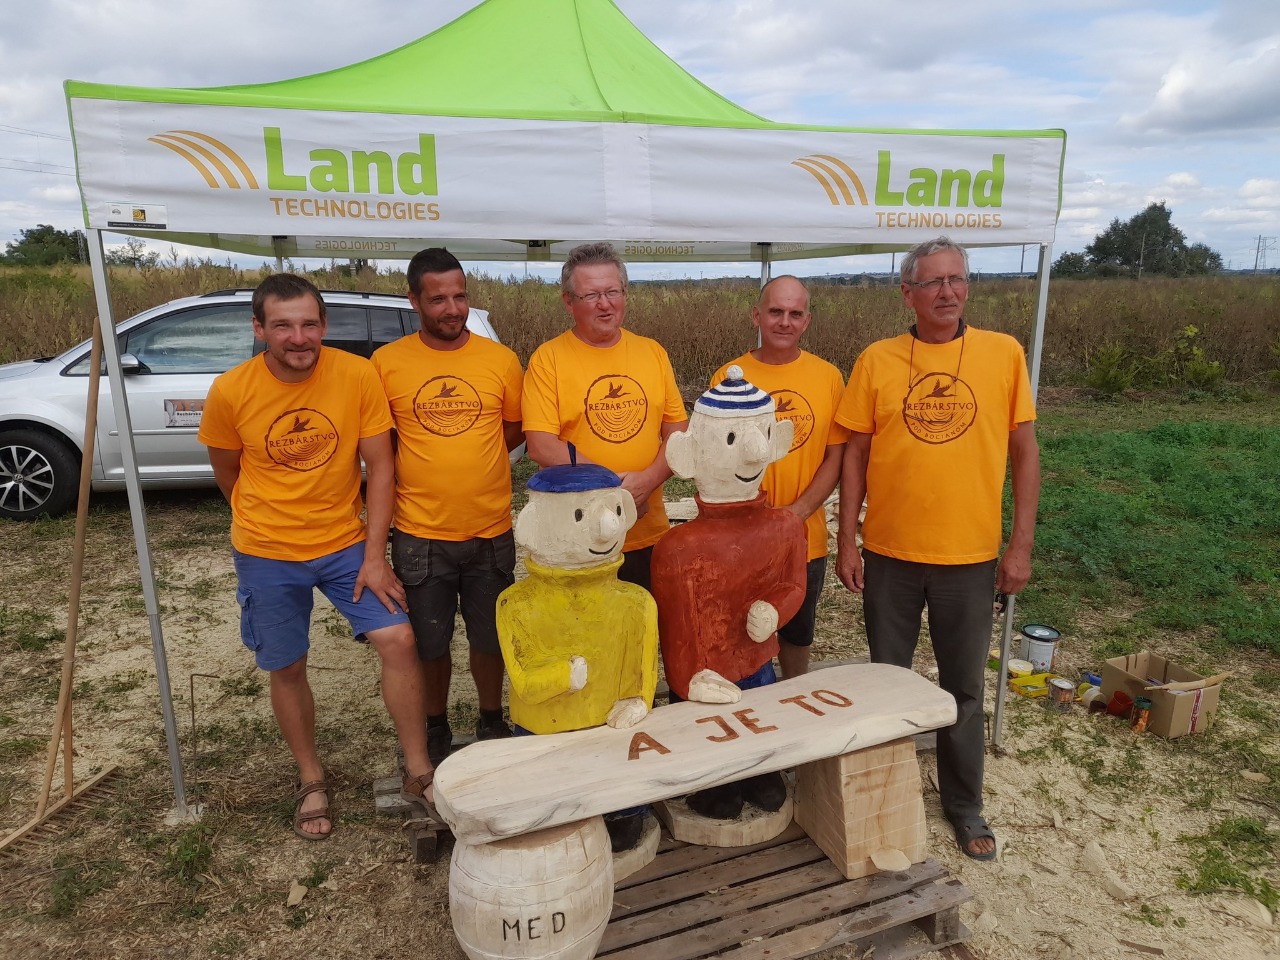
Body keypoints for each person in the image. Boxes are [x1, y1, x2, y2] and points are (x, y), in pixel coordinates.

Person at [198, 273, 435, 840]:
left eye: (308, 324)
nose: (298, 337)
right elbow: (227, 472)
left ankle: (419, 768)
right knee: (287, 664)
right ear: (260, 329)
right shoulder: (231, 390)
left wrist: (374, 556)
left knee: (399, 639)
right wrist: (268, 520)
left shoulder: (356, 375)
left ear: (324, 325)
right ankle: (311, 777)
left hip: (345, 542)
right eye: (283, 326)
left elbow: (381, 466)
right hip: (266, 550)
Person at [833, 237, 1040, 862]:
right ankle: (884, 795)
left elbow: (1025, 452)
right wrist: (847, 537)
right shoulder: (877, 359)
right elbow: (856, 455)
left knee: (964, 691)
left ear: (967, 286)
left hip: (969, 557)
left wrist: (1019, 546)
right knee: (887, 683)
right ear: (908, 293)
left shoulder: (1003, 353)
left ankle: (964, 804)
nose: (946, 292)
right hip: (890, 554)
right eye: (932, 282)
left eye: (956, 279)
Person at [371, 248, 525, 767]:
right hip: (420, 534)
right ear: (414, 301)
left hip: (491, 529)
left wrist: (470, 461)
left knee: (490, 636)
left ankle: (490, 718)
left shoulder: (500, 361)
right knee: (429, 642)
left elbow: (512, 428)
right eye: (438, 299)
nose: (453, 309)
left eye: (460, 297)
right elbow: (383, 444)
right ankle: (435, 726)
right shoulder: (386, 364)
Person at [652, 368, 807, 820]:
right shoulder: (678, 548)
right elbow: (676, 628)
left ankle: (758, 771)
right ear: (687, 456)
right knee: (711, 768)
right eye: (733, 439)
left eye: (761, 437)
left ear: (777, 441)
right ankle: (711, 780)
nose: (754, 453)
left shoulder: (785, 527)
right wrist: (688, 679)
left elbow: (793, 585)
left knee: (762, 752)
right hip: (703, 673)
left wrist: (776, 609)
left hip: (757, 662)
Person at [496, 461, 659, 851]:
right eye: (581, 515)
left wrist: (639, 702)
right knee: (554, 811)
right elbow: (525, 684)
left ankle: (622, 809)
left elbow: (645, 672)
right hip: (546, 734)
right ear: (533, 525)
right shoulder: (515, 606)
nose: (608, 527)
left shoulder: (637, 603)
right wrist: (562, 676)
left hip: (613, 734)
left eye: (614, 511)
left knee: (621, 818)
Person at [521, 242, 688, 590]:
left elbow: (678, 432)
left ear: (625, 293)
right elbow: (540, 445)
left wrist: (647, 482)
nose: (605, 304)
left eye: (613, 292)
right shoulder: (548, 359)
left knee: (646, 621)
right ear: (569, 301)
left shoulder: (653, 353)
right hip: (577, 539)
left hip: (646, 532)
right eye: (591, 295)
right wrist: (616, 491)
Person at [711, 275, 848, 678]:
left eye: (794, 313)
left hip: (803, 538)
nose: (784, 322)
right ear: (757, 315)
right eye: (775, 312)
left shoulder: (828, 377)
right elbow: (717, 460)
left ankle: (794, 698)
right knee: (742, 634)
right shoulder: (728, 377)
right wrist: (753, 519)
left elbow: (836, 456)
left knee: (796, 635)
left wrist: (795, 514)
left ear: (807, 320)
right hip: (741, 537)